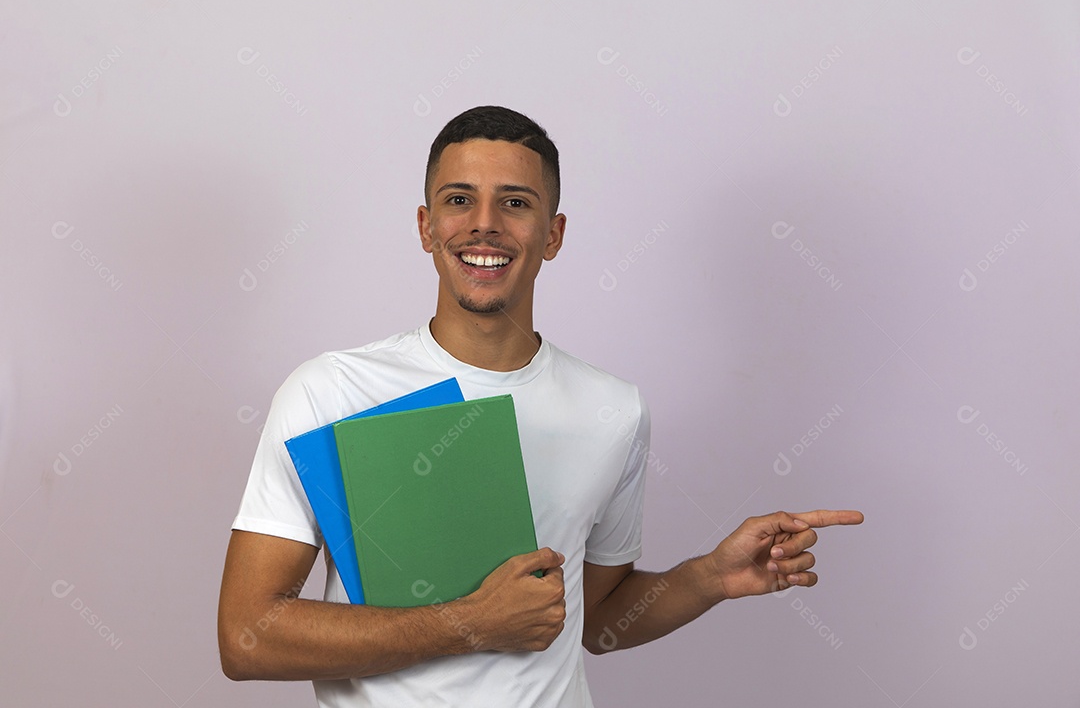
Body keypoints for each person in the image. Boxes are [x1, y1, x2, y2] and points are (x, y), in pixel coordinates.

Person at [217, 105, 863, 707]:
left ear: (552, 234)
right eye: (459, 200)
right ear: (425, 227)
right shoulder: (330, 390)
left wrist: (709, 578)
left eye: (515, 203)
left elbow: (596, 621)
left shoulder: (613, 408)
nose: (484, 224)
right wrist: (467, 624)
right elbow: (246, 637)